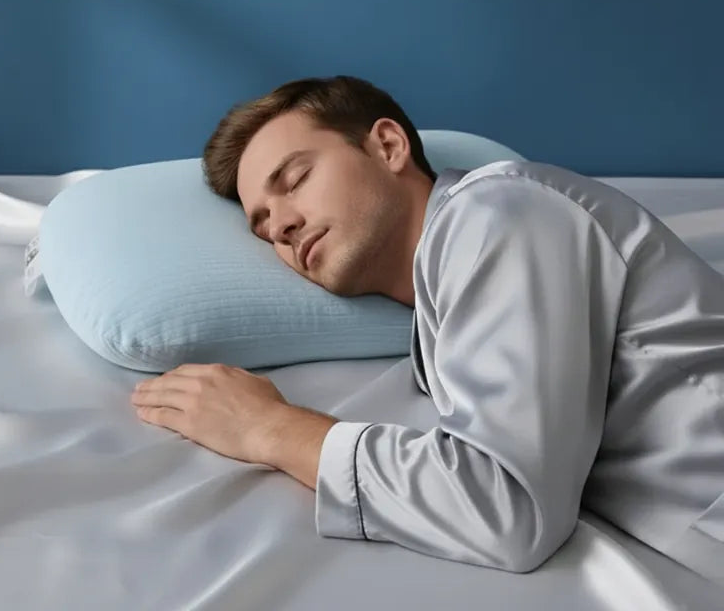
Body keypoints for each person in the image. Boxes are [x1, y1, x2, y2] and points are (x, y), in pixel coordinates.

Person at [133, 75, 724, 585]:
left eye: (295, 180)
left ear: (387, 145)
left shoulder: (501, 212)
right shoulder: (439, 320)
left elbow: (505, 505)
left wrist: (270, 428)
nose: (283, 225)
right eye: (263, 228)